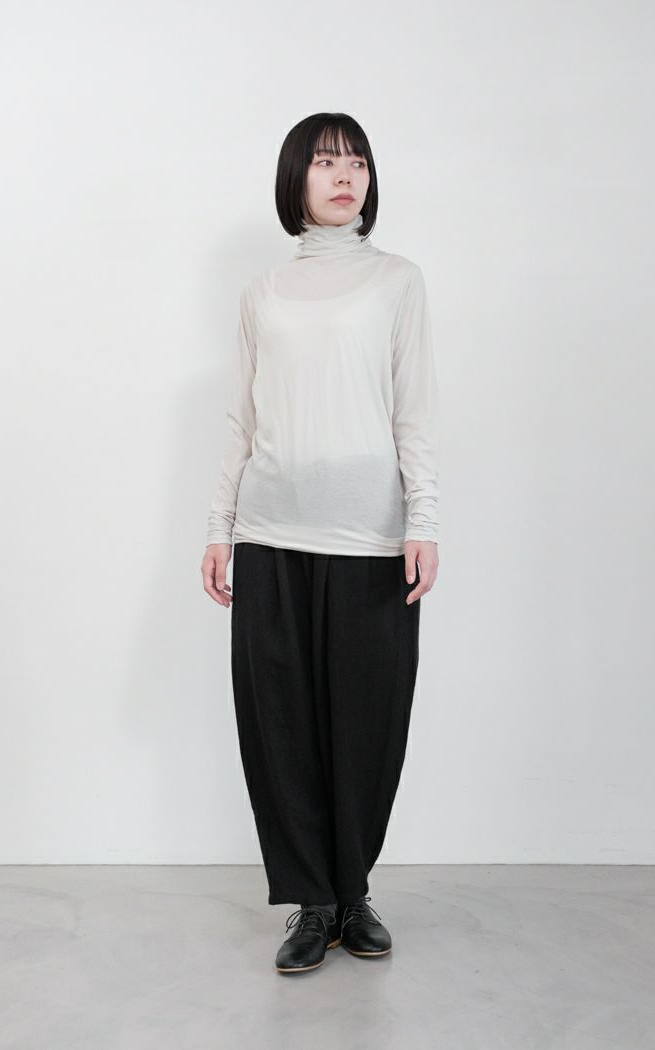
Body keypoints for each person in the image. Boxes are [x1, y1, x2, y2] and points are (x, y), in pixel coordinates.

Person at [201, 112, 440, 974]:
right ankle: (312, 902)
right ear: (295, 178)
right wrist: (219, 527)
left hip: (370, 537)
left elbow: (414, 409)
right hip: (271, 533)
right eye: (327, 161)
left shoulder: (397, 281)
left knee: (368, 721)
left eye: (359, 163)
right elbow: (241, 417)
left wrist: (424, 520)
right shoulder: (262, 294)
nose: (346, 176)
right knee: (282, 725)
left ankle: (353, 890)